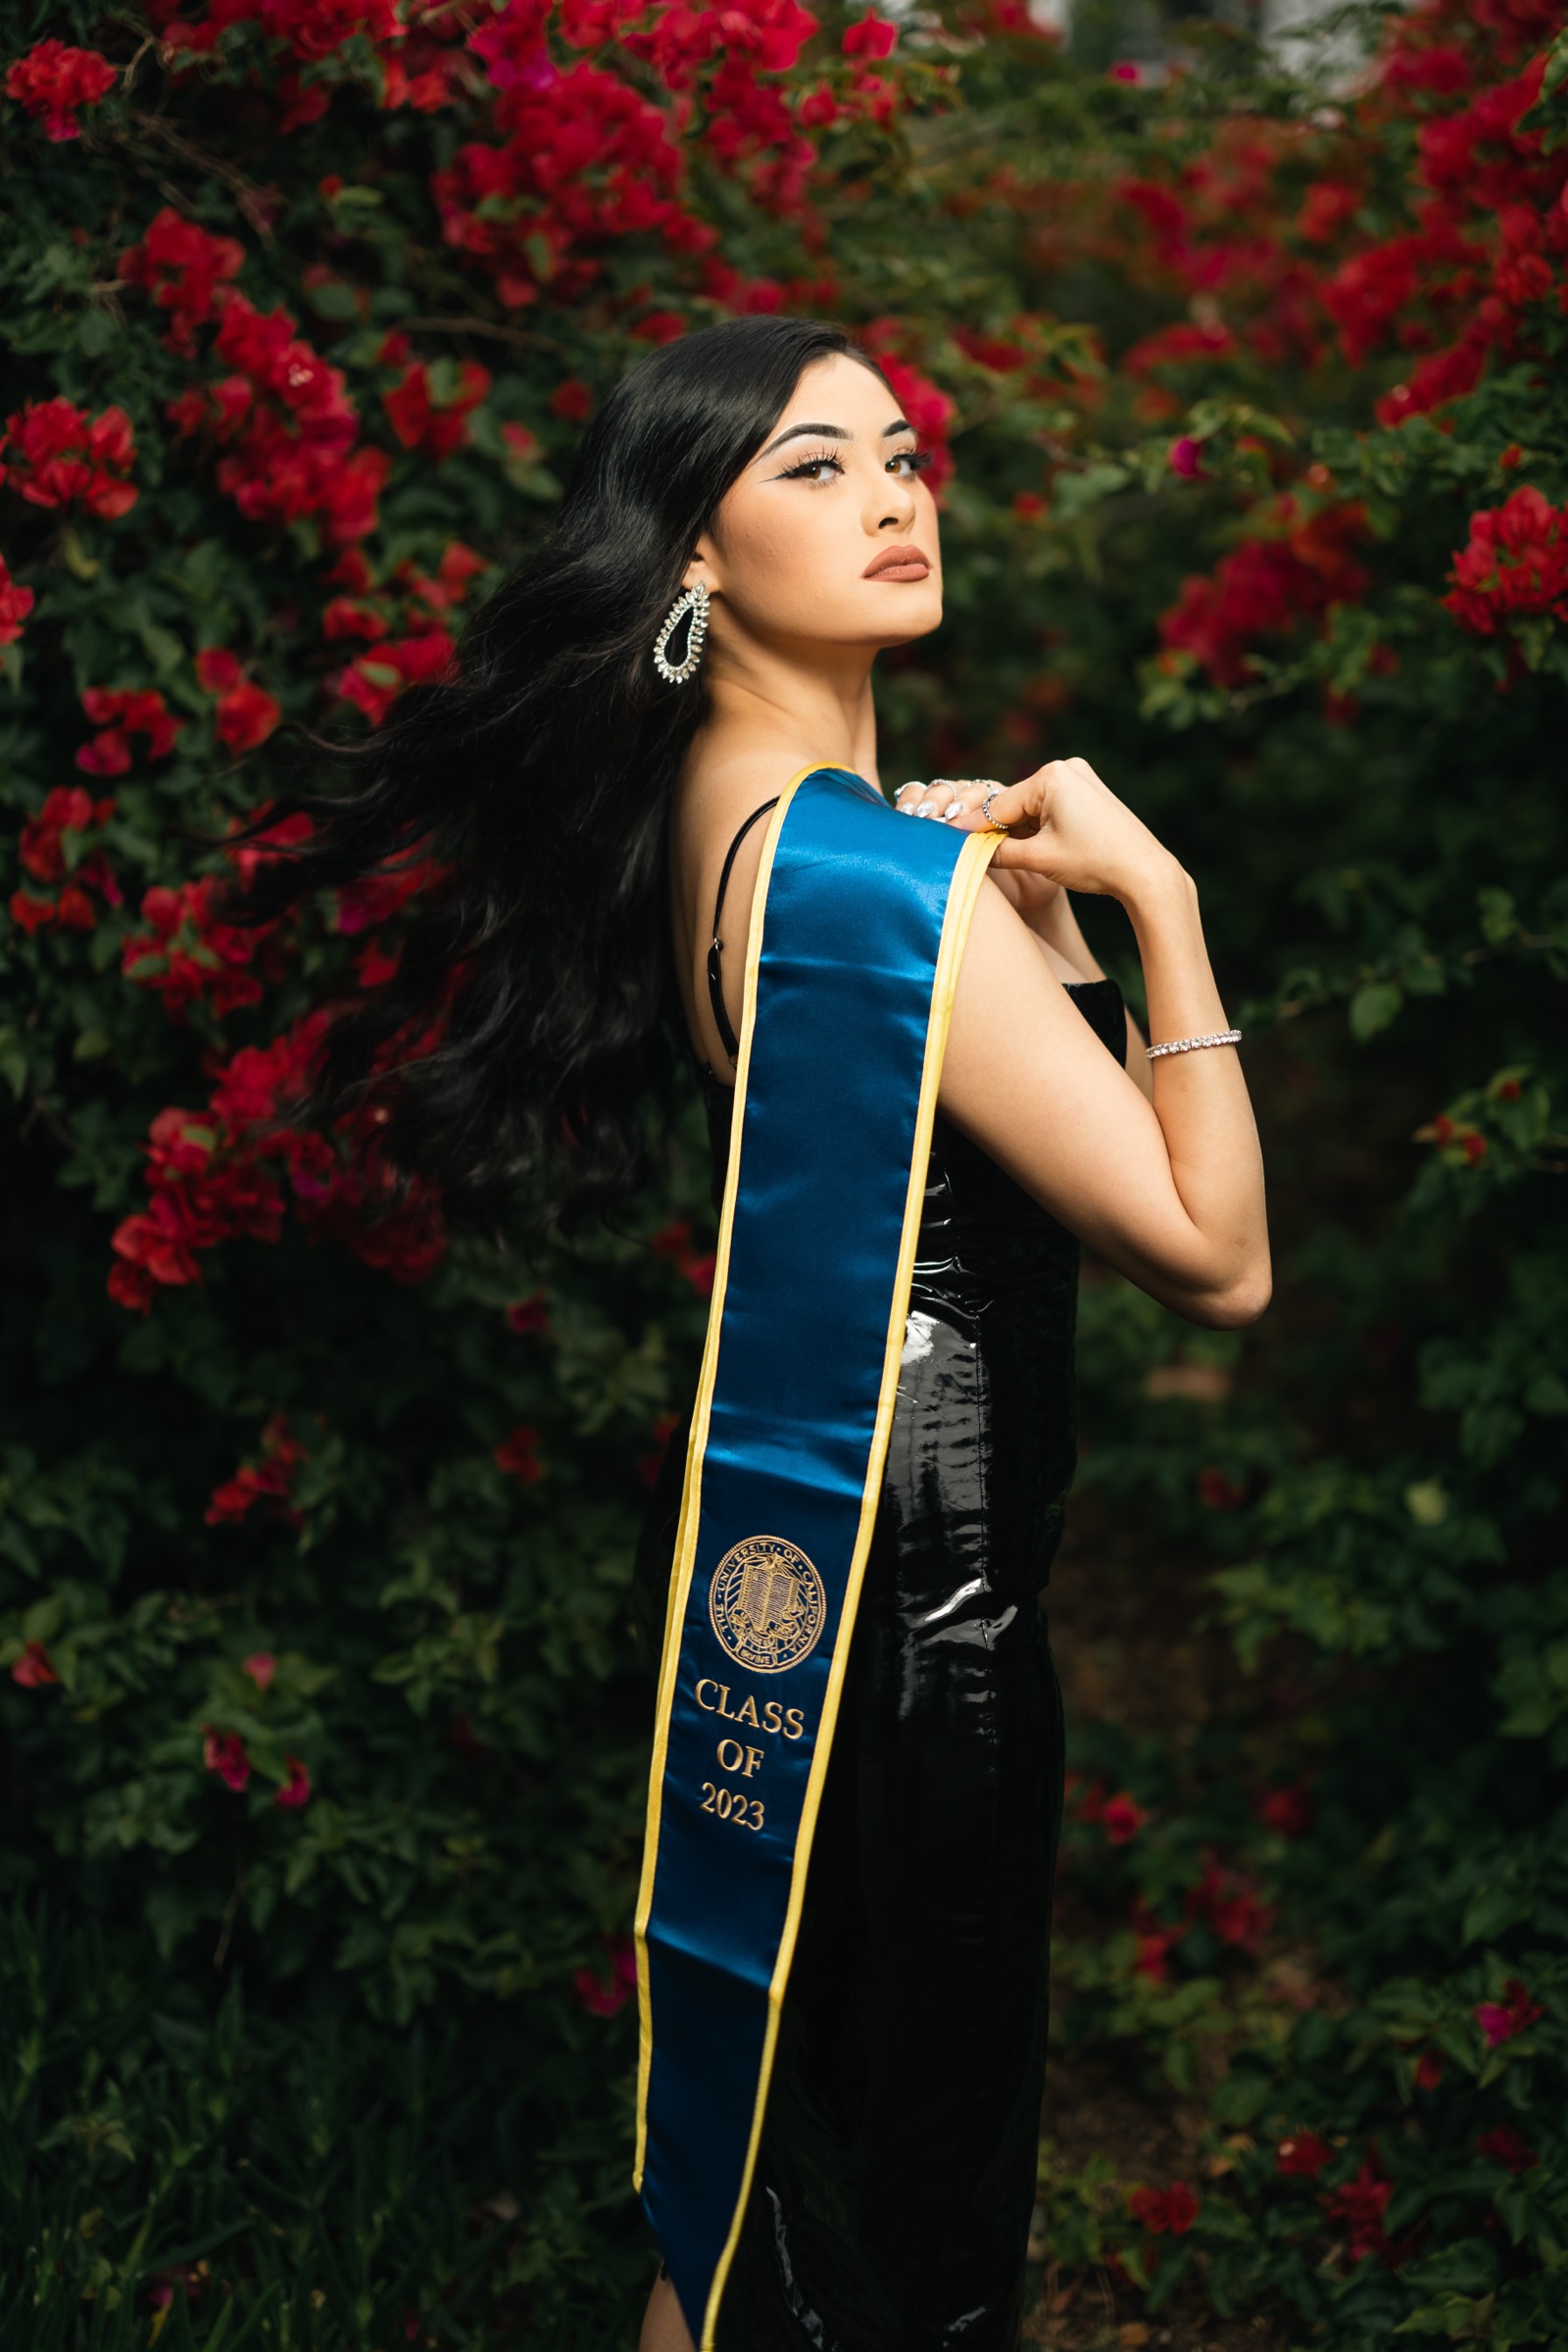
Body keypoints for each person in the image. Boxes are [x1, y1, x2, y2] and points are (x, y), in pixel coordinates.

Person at [239, 316, 1268, 2352]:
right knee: (905, 2232)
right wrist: (1157, 904)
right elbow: (1213, 1255)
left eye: (899, 452)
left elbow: (936, 1151)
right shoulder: (872, 881)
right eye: (810, 466)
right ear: (687, 552)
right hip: (920, 1628)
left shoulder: (751, 828)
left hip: (790, 1580)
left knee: (766, 2208)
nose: (889, 494)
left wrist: (1019, 937)